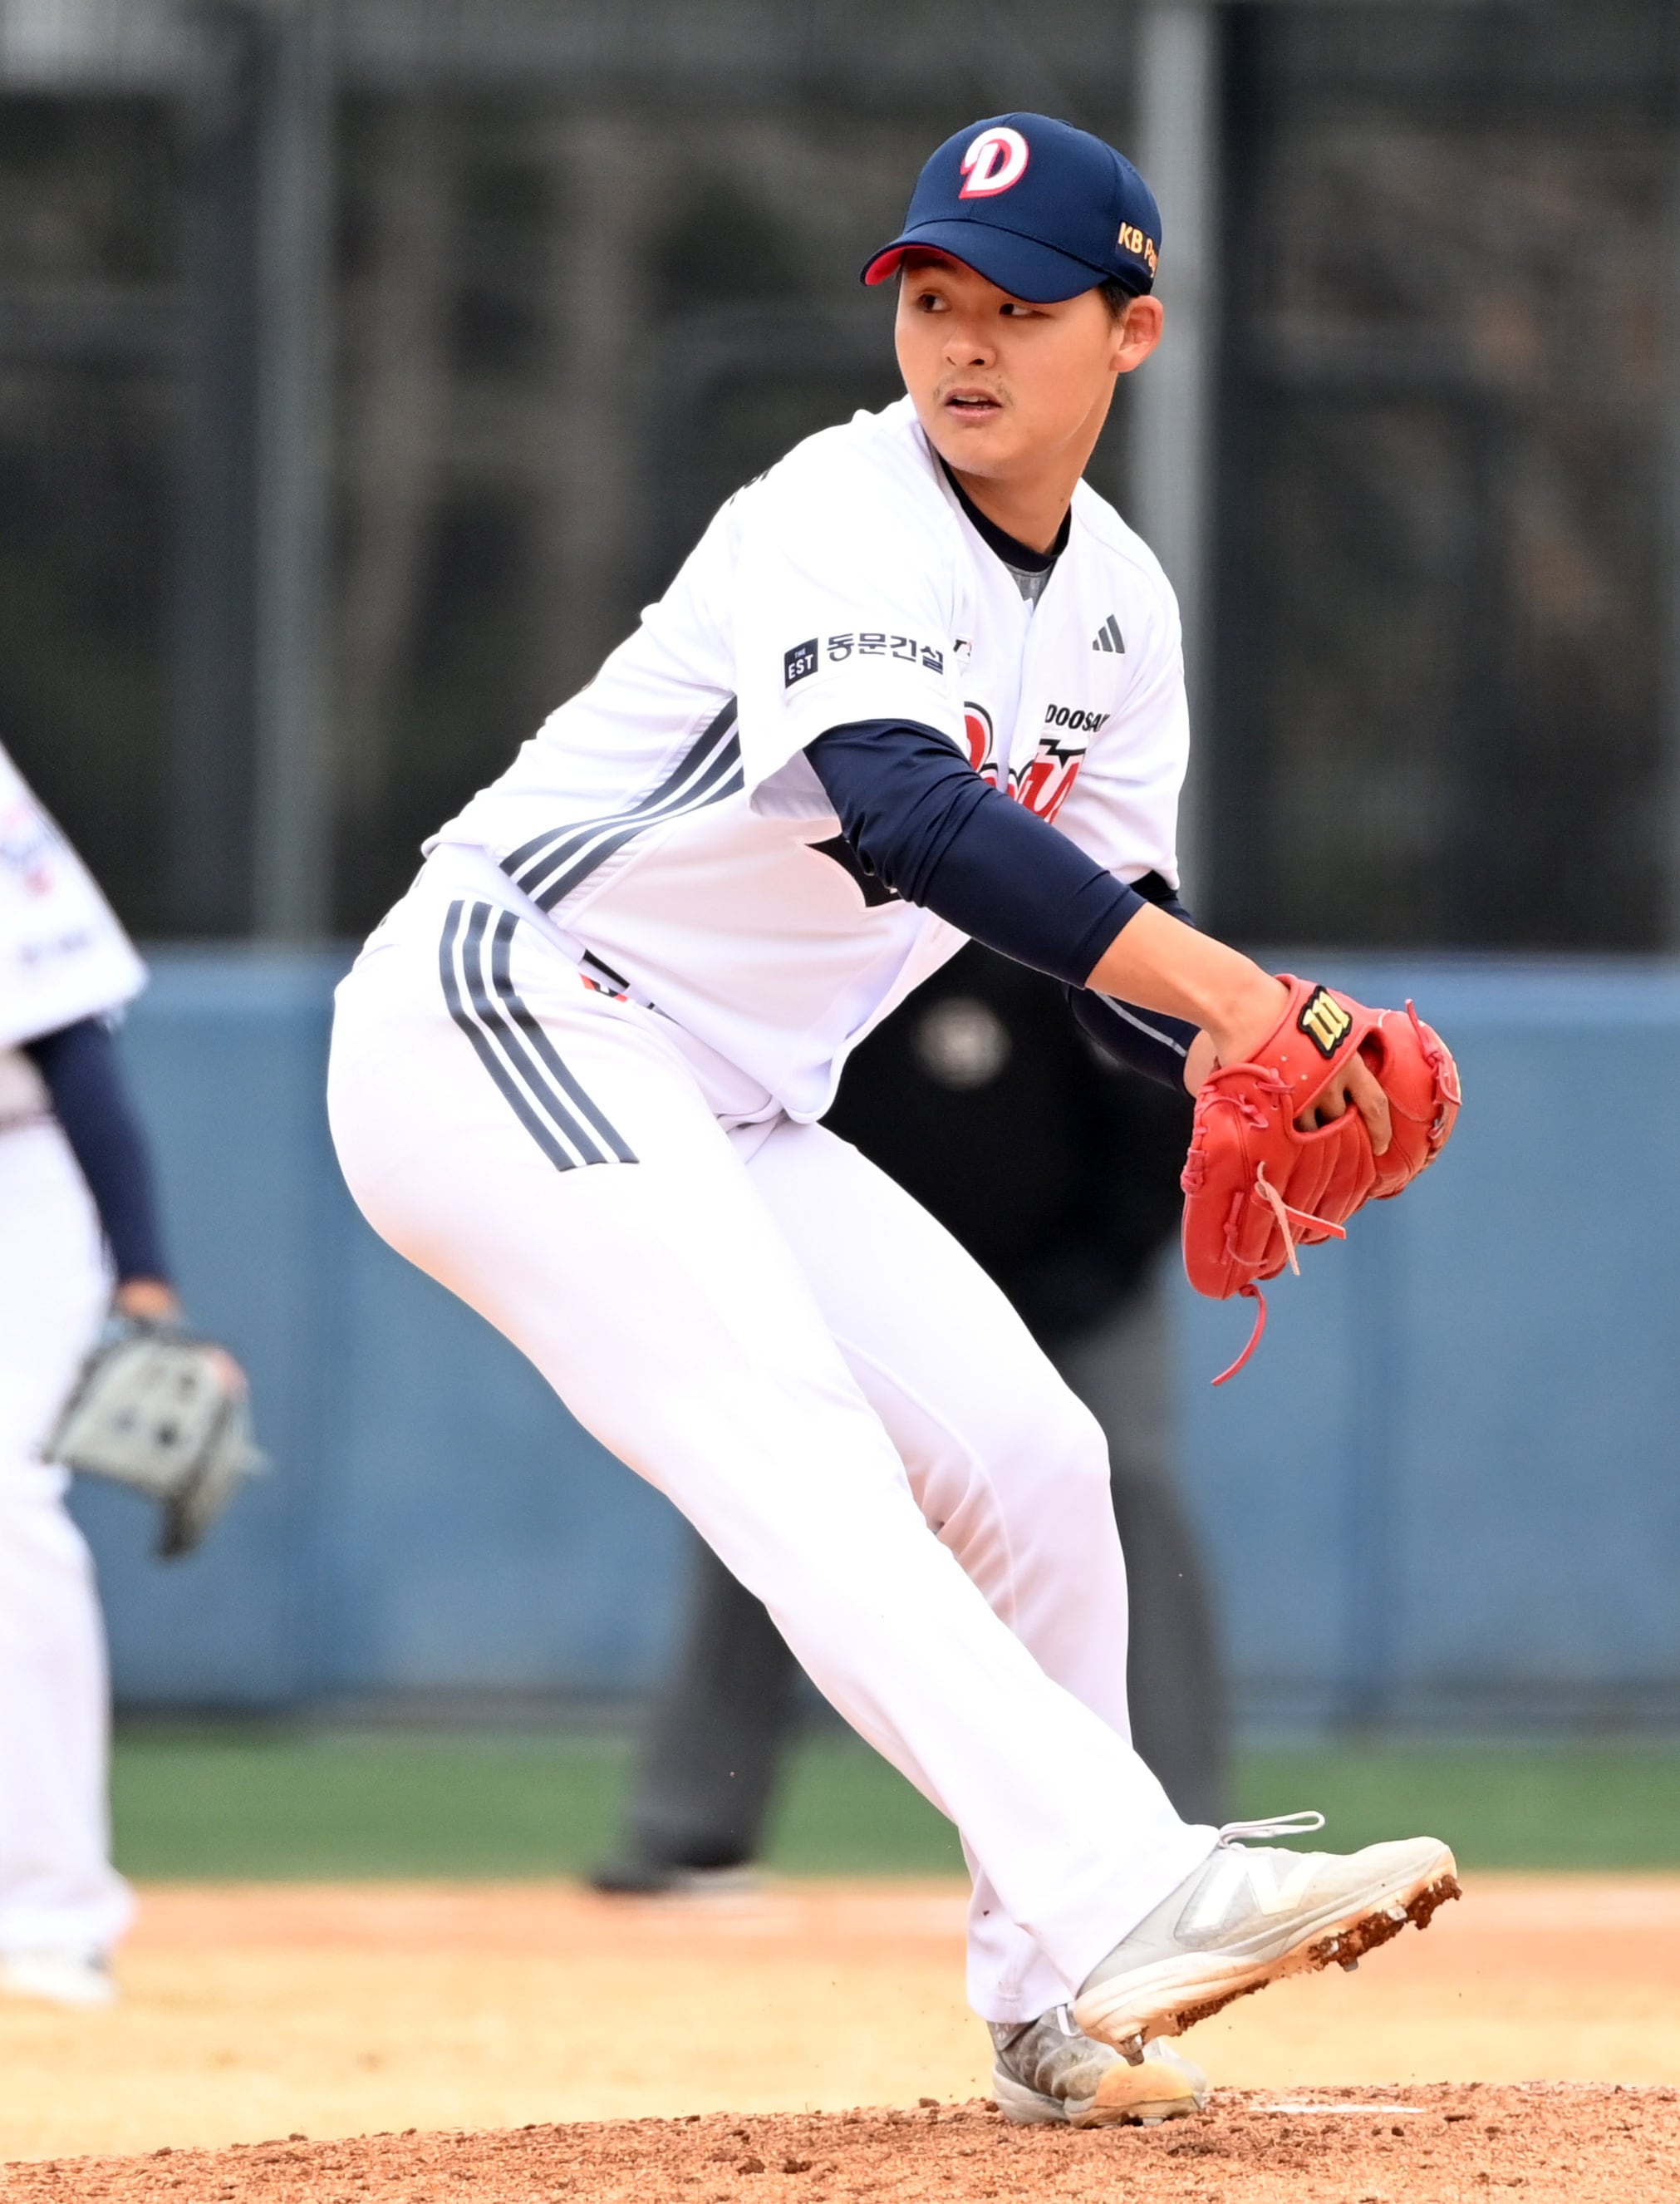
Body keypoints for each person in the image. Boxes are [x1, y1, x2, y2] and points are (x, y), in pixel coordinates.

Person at [328, 114, 1456, 2132]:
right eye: (933, 297)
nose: (961, 340)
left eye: (1017, 307)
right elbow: (907, 809)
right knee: (790, 1440)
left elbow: (1107, 929)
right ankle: (1118, 1876)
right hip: (501, 1006)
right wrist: (1233, 1004)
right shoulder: (836, 511)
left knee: (1032, 1456)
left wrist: (1227, 1046)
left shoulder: (1112, 606)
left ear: (1130, 333)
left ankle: (1057, 2000)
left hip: (722, 1087)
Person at [592, 942, 1227, 1902]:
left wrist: (1051, 1305)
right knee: (762, 1496)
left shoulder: (1071, 935)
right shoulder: (825, 945)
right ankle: (690, 1828)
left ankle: (1180, 1829)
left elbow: (1152, 1147)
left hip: (1077, 1289)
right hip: (864, 1293)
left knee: (1121, 1480)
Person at [0, 742, 181, 2006]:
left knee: (6, 1515)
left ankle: (51, 1909)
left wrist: (145, 1283)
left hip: (16, 1172)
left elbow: (70, 1039)